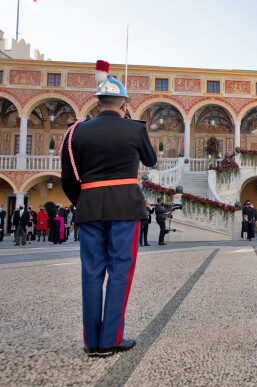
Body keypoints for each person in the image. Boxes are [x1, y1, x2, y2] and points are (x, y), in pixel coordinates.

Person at [61, 60, 157, 358]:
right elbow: (151, 160)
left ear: (98, 103)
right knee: (120, 271)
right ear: (124, 105)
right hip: (125, 207)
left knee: (91, 273)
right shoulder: (134, 128)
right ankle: (110, 338)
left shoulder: (76, 131)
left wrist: (84, 201)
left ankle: (91, 340)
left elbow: (68, 178)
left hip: (89, 206)